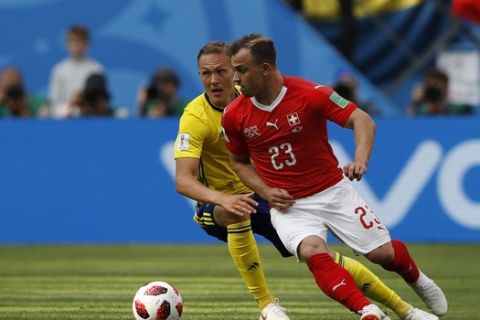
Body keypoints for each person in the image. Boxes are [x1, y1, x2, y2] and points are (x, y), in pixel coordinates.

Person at [175, 41, 438, 320]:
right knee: (235, 211)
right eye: (205, 74)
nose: (214, 80)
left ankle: (404, 310)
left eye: (222, 72)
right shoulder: (195, 118)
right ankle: (267, 305)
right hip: (219, 204)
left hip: (267, 195)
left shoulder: (255, 96)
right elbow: (183, 181)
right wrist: (223, 197)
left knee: (321, 256)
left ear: (237, 71)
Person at [48, 24, 104, 118]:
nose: (76, 45)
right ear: (67, 44)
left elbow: (101, 101)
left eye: (80, 41)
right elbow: (53, 101)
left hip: (90, 118)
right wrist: (69, 107)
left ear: (87, 43)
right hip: (65, 120)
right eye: (73, 41)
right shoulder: (59, 70)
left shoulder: (96, 69)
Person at [406, 68, 473, 116]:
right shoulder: (418, 112)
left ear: (447, 90)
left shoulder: (459, 110)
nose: (434, 92)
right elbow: (407, 127)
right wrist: (415, 102)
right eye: (431, 88)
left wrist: (441, 109)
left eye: (437, 87)